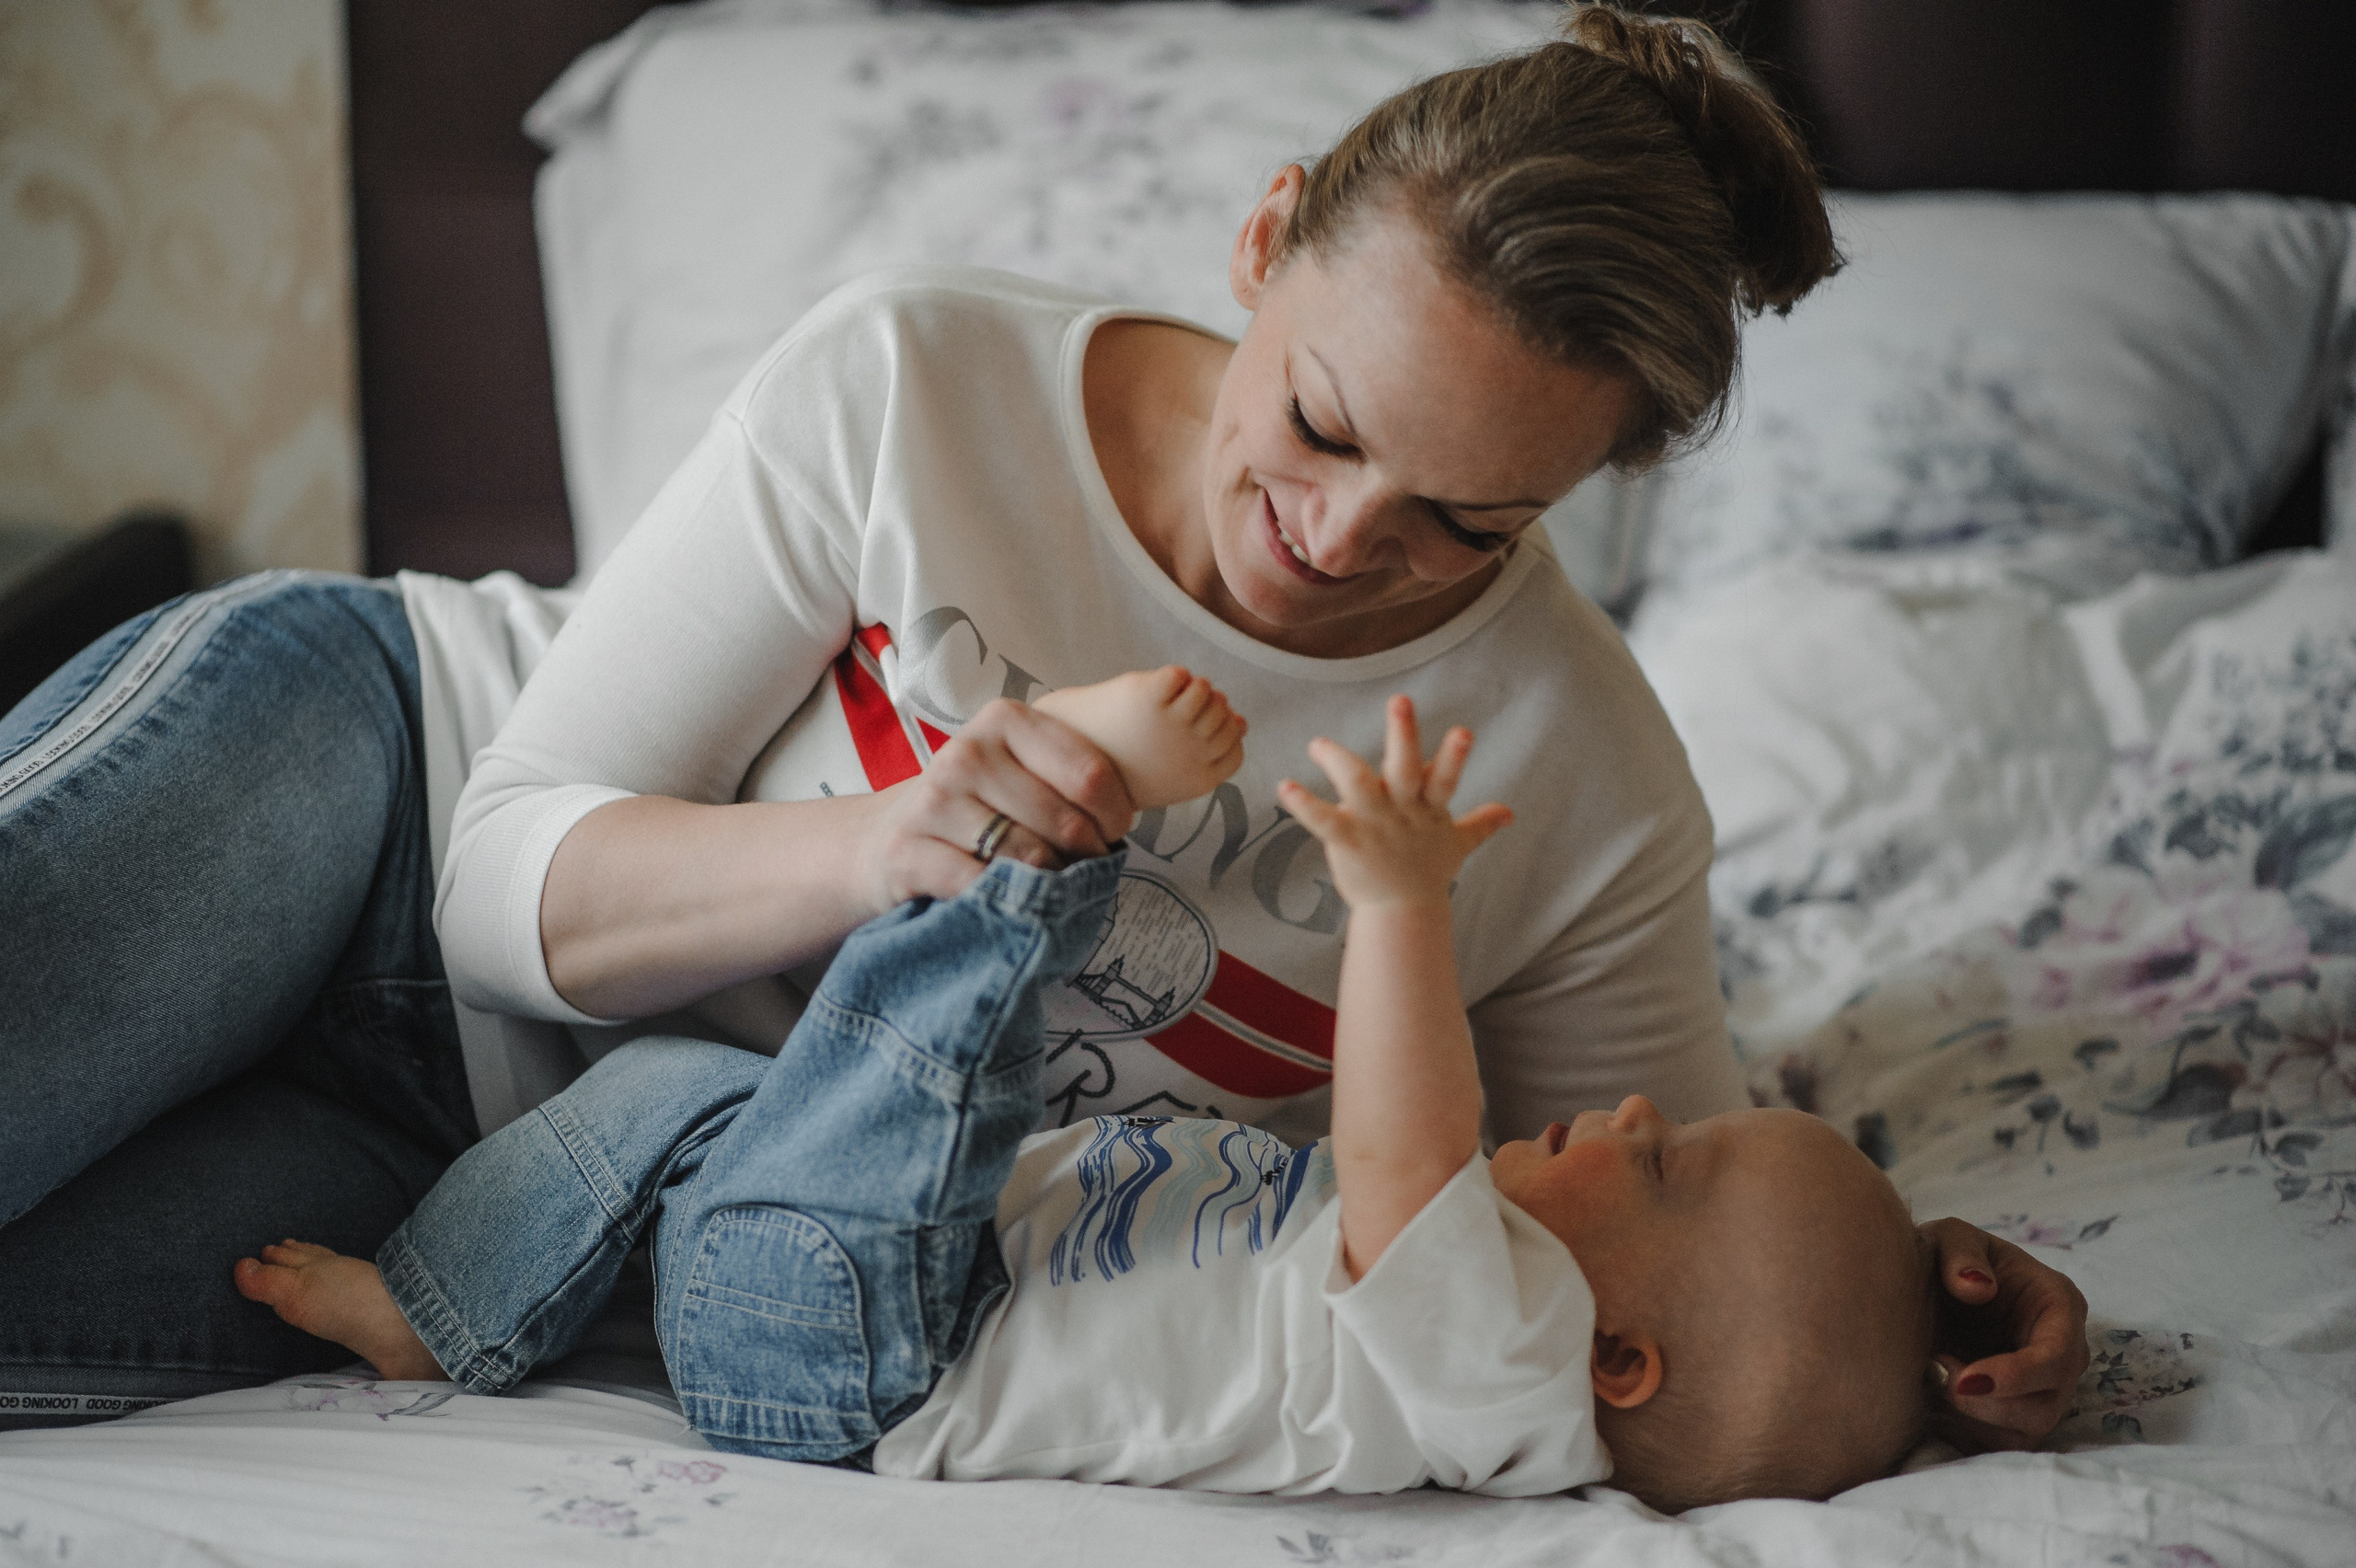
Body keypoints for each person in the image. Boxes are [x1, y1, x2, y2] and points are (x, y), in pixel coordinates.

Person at [0, 6, 2084, 1445]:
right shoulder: (915, 384)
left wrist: (1928, 1316)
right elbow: (489, 885)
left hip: (491, 1182)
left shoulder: (1582, 785)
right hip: (381, 784)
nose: (1335, 548)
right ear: (1263, 241)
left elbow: (1648, 1263)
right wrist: (870, 851)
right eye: (1320, 424)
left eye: (1467, 518)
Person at [237, 677, 1935, 1510]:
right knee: (693, 1083)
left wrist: (1401, 899)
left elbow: (1404, 1145)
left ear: (1622, 1359)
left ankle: (1050, 822)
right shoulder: (1509, 1332)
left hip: (884, 1334)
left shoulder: (1506, 1367)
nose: (1644, 1116)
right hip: (832, 1299)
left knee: (932, 1047)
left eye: (1680, 1170)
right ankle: (444, 1308)